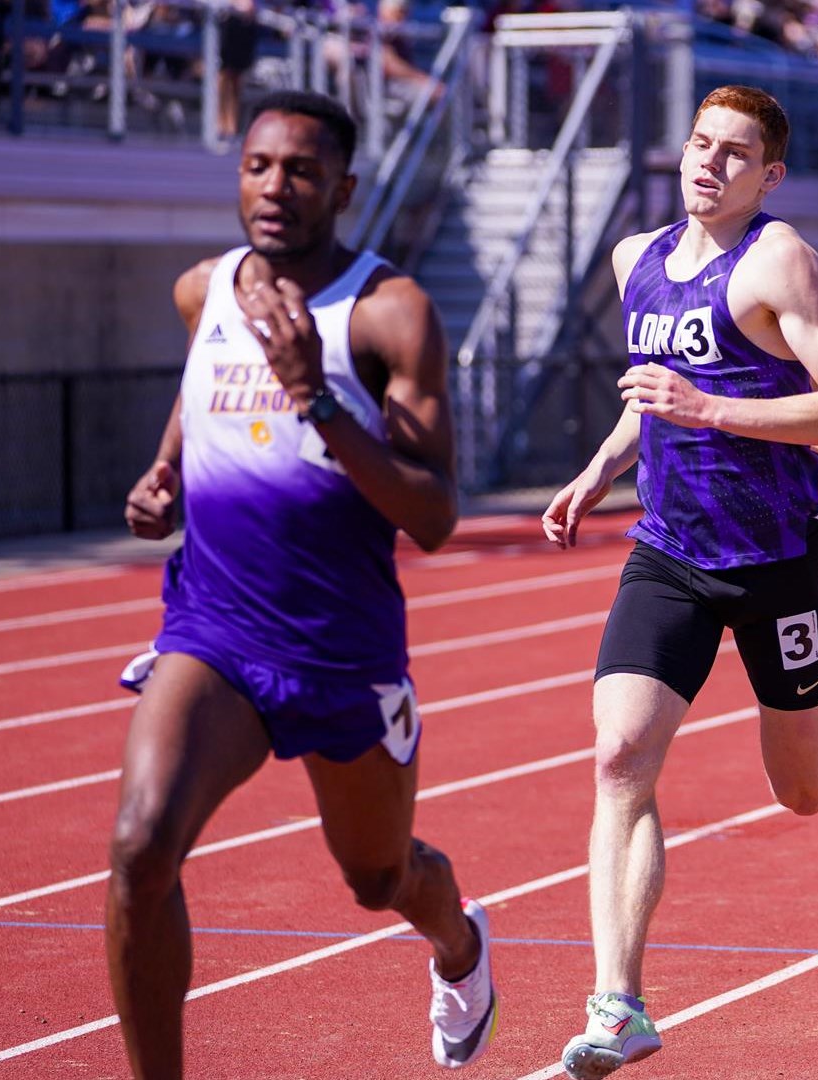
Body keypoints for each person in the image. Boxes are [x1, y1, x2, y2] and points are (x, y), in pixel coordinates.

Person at [112, 91, 494, 1078]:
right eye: (258, 166)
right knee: (142, 850)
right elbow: (200, 395)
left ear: (345, 187)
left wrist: (314, 392)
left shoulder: (388, 311)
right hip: (215, 630)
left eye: (301, 170)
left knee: (379, 878)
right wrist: (164, 476)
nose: (275, 187)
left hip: (341, 650)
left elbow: (434, 516)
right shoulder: (203, 290)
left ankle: (460, 945)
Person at [539, 85, 818, 1076]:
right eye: (699, 143)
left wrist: (710, 408)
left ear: (768, 175)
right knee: (618, 757)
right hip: (671, 555)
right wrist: (600, 469)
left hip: (776, 562)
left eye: (735, 153)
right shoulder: (633, 259)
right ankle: (618, 1004)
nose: (709, 163)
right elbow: (649, 401)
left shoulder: (779, 261)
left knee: (802, 792)